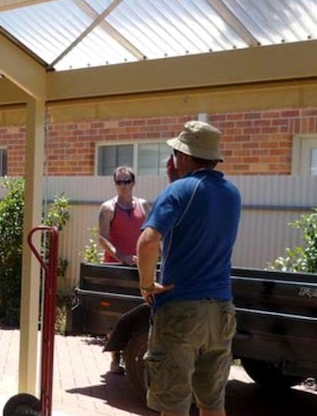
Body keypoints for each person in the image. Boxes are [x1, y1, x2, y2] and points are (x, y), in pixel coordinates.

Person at [136, 121, 241, 416]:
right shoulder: (232, 193)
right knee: (212, 403)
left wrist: (146, 285)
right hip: (221, 311)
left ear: (182, 156)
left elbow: (148, 241)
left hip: (182, 310)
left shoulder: (179, 190)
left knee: (173, 404)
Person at [97, 165, 150, 374]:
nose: (123, 186)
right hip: (115, 267)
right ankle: (114, 358)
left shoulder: (143, 205)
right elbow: (102, 239)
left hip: (140, 266)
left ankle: (134, 355)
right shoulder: (108, 208)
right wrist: (122, 257)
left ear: (133, 182)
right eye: (118, 182)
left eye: (126, 181)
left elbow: (151, 233)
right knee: (115, 314)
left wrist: (156, 254)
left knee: (139, 309)